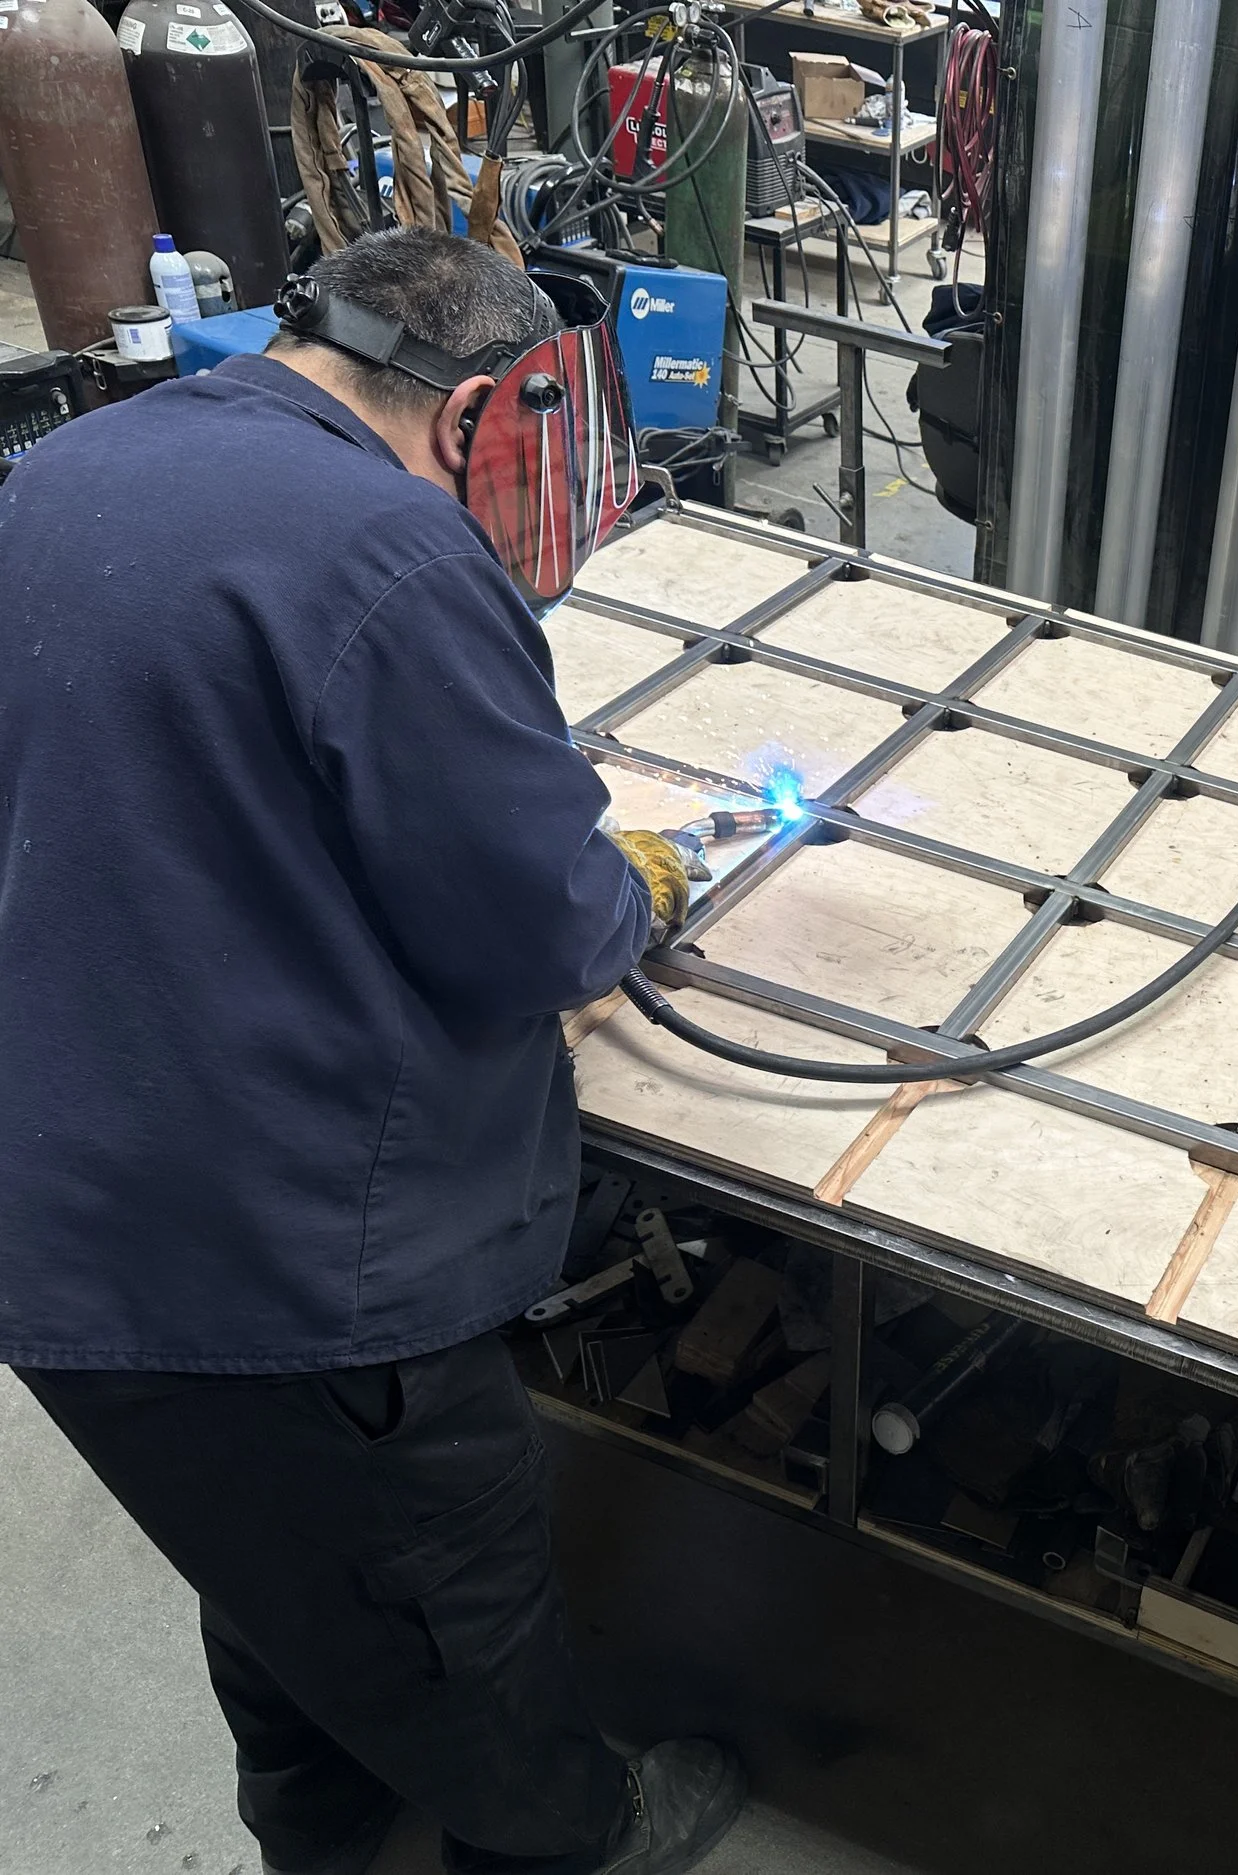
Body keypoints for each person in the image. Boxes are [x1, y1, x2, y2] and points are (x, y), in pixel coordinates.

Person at [0, 227, 740, 1875]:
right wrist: (632, 881)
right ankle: (577, 1837)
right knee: (443, 1598)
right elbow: (539, 927)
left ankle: (321, 1831)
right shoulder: (395, 551)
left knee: (270, 1563)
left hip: (57, 1208)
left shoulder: (67, 468)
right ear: (476, 410)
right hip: (280, 1270)